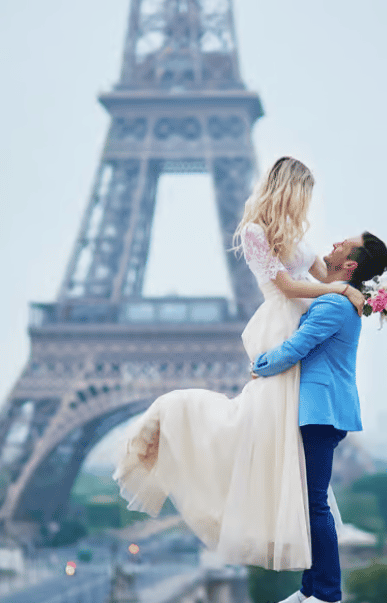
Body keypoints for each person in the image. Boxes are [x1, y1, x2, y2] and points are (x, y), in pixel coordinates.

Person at [112, 157, 364, 571]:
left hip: (304, 320)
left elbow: (324, 278)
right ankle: (175, 421)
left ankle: (302, 558)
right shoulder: (254, 232)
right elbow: (287, 286)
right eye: (303, 194)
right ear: (288, 190)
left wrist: (370, 291)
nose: (306, 203)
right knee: (265, 422)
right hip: (282, 322)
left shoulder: (296, 233)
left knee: (283, 435)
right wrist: (340, 291)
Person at [255, 231, 387, 603]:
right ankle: (311, 589)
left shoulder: (333, 303)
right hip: (322, 410)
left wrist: (259, 365)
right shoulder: (340, 298)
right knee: (309, 502)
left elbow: (298, 346)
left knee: (314, 503)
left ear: (350, 264)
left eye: (341, 246)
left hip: (320, 411)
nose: (331, 246)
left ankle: (328, 595)